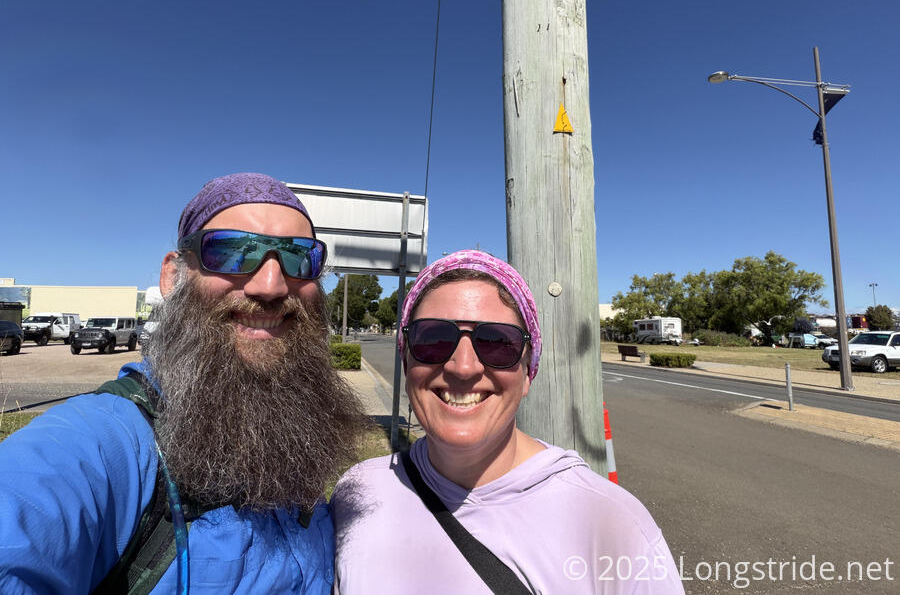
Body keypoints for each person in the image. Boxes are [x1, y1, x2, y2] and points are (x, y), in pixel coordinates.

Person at [0, 173, 365, 593]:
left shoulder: (298, 427)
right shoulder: (104, 443)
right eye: (231, 251)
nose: (272, 285)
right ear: (173, 275)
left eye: (299, 258)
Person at [331, 250, 684, 594]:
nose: (463, 366)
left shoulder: (613, 524)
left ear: (528, 373)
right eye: (433, 338)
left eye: (497, 342)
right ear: (407, 363)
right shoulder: (355, 494)